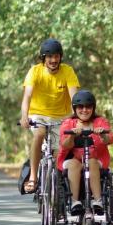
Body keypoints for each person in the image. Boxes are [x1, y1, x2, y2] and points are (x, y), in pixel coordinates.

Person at [20, 38, 80, 192]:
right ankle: (33, 177)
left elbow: (74, 97)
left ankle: (55, 183)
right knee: (39, 133)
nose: (53, 60)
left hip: (61, 117)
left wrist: (76, 116)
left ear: (60, 57)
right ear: (43, 58)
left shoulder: (67, 71)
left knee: (57, 152)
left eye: (56, 56)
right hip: (38, 114)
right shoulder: (35, 71)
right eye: (49, 57)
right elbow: (27, 96)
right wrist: (24, 116)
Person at [58, 90, 113, 214]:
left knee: (92, 162)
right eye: (80, 107)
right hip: (71, 160)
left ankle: (98, 201)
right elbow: (64, 145)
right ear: (75, 108)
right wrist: (72, 135)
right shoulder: (68, 123)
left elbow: (109, 139)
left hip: (96, 159)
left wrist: (102, 135)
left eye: (88, 107)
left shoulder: (100, 121)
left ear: (93, 108)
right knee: (74, 164)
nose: (84, 110)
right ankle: (74, 202)